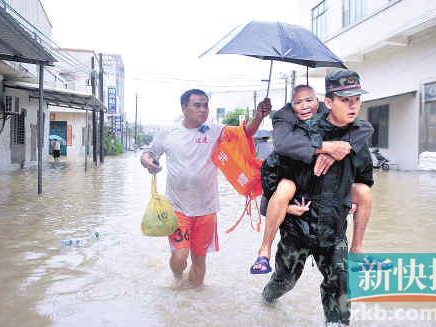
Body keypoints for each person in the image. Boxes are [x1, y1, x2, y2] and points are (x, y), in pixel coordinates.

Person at [261, 70, 374, 326]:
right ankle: (267, 298)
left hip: (333, 230)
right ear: (328, 102)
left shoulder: (359, 137)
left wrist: (353, 196)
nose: (353, 104)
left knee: (341, 284)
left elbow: (365, 179)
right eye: (345, 99)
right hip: (298, 228)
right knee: (284, 281)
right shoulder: (304, 133)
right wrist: (283, 206)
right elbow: (271, 171)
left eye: (356, 98)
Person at [140, 89, 271, 287]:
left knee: (199, 260)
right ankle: (176, 280)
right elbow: (148, 153)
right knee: (179, 256)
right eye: (197, 105)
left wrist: (259, 116)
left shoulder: (215, 131)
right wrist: (149, 162)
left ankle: (193, 300)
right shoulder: (169, 133)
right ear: (184, 108)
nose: (203, 110)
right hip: (177, 208)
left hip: (206, 209)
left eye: (206, 105)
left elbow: (246, 132)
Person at [250, 83, 373, 274]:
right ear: (291, 105)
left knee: (363, 193)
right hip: (297, 212)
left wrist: (340, 150)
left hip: (330, 218)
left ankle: (357, 251)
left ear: (322, 102)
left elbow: (365, 132)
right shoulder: (289, 127)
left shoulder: (339, 125)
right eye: (298, 102)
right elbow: (272, 171)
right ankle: (264, 250)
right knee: (283, 281)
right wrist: (325, 147)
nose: (305, 106)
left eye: (309, 100)